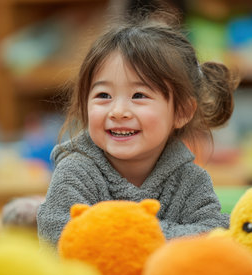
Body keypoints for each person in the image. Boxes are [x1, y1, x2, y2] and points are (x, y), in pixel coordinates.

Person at [37, 13, 239, 250]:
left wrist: (122, 234)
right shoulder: (75, 172)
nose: (118, 111)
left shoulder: (191, 180)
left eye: (139, 96)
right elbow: (59, 238)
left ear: (182, 111)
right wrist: (158, 237)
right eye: (103, 96)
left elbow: (214, 236)